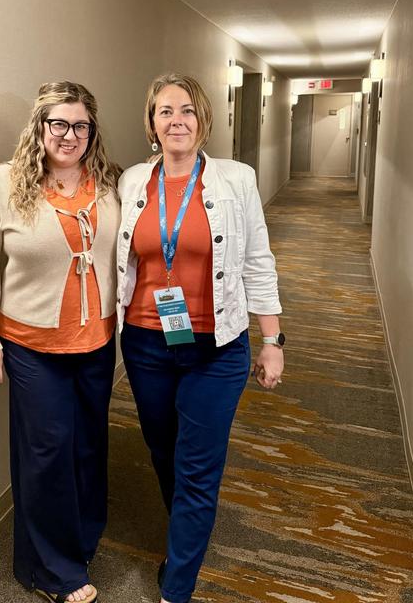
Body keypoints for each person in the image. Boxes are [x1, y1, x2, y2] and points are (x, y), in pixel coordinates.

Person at [117, 74, 284, 603]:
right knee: (163, 450)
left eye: (186, 110)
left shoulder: (236, 180)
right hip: (145, 344)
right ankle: (185, 530)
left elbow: (258, 260)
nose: (176, 120)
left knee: (197, 462)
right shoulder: (131, 183)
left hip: (217, 347)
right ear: (151, 124)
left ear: (203, 119)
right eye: (164, 111)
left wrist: (273, 340)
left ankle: (178, 584)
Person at [0, 81, 120, 603]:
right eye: (59, 123)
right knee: (46, 451)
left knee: (89, 445)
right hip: (32, 347)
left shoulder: (109, 184)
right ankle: (53, 572)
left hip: (97, 342)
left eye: (80, 125)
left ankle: (79, 541)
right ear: (40, 127)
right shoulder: (4, 183)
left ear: (91, 130)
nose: (69, 135)